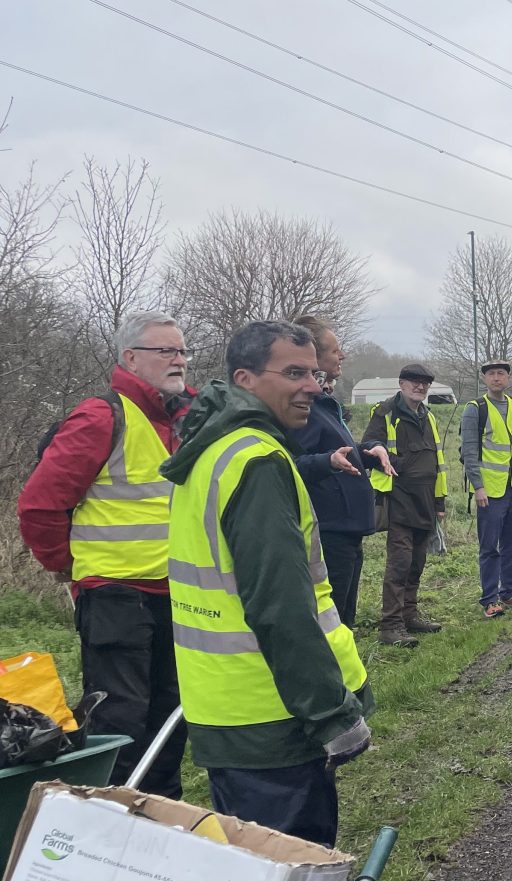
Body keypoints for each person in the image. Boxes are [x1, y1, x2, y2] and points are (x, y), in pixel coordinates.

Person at [161, 320, 371, 847]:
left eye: (315, 374)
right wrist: (331, 715)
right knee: (292, 859)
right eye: (295, 372)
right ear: (245, 379)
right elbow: (281, 606)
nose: (313, 386)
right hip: (274, 715)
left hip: (224, 707)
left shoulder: (212, 448)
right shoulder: (255, 462)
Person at [17, 311, 194, 798]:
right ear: (131, 358)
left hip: (179, 594)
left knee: (172, 719)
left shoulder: (187, 417)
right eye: (166, 351)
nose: (179, 360)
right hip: (117, 597)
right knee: (122, 723)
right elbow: (40, 504)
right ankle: (110, 820)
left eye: (182, 351)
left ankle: (161, 814)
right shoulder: (101, 416)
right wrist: (68, 567)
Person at [287, 316, 395, 628]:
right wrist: (328, 462)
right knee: (332, 620)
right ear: (312, 358)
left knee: (345, 616)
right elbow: (292, 464)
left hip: (348, 529)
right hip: (329, 531)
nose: (343, 356)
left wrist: (369, 452)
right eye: (336, 350)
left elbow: (338, 451)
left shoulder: (325, 405)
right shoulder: (305, 409)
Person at [364, 363, 448, 646]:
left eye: (425, 383)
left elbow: (438, 463)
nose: (420, 387)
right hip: (398, 500)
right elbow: (369, 446)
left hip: (425, 501)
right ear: (401, 384)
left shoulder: (429, 416)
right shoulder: (385, 412)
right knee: (399, 565)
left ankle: (410, 616)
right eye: (414, 382)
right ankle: (390, 626)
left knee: (416, 563)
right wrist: (394, 463)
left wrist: (440, 502)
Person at [460, 359, 512, 619]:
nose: (497, 378)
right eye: (492, 374)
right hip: (490, 491)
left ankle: (511, 592)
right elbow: (470, 452)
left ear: (508, 378)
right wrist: (478, 486)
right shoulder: (475, 409)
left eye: (501, 374)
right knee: (489, 547)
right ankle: (490, 598)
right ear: (485, 379)